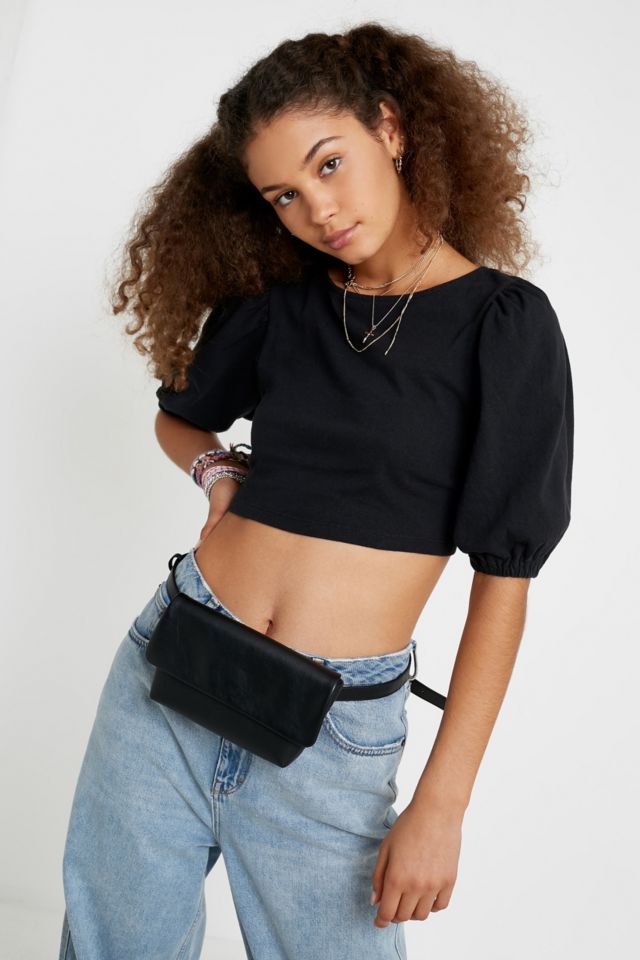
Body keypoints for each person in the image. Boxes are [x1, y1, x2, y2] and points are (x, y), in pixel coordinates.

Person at [58, 21, 574, 960]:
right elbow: (179, 420)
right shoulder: (279, 304)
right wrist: (215, 471)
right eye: (284, 195)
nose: (318, 210)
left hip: (333, 737)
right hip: (168, 679)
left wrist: (443, 804)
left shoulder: (504, 326)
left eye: (329, 164)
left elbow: (506, 578)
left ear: (392, 129)